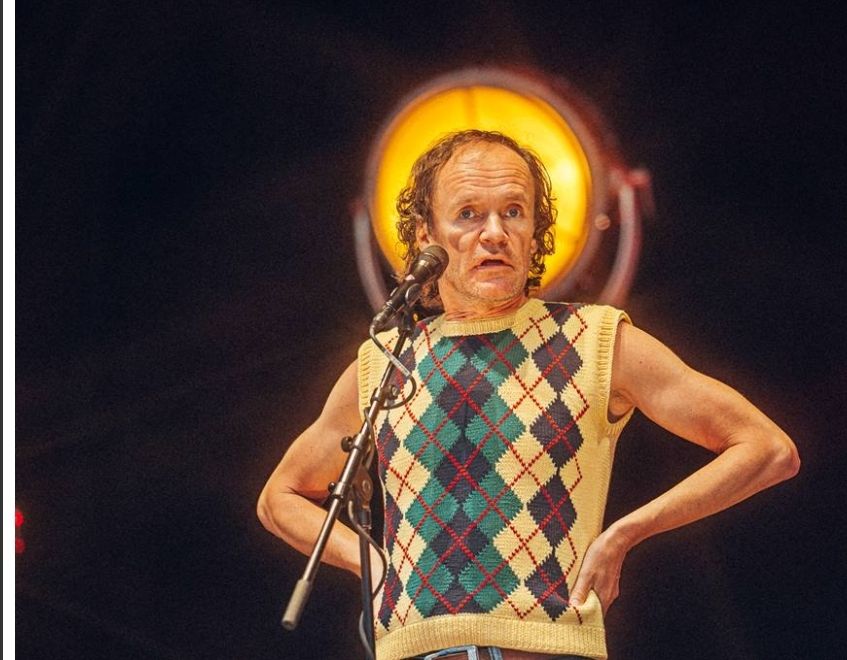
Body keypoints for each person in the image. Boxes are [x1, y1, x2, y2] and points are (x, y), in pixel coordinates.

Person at [258, 130, 800, 660]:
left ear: (535, 232)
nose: (494, 232)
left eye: (514, 212)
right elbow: (280, 496)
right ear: (426, 236)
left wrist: (626, 532)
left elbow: (767, 448)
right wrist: (373, 564)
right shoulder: (385, 361)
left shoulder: (594, 340)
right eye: (468, 214)